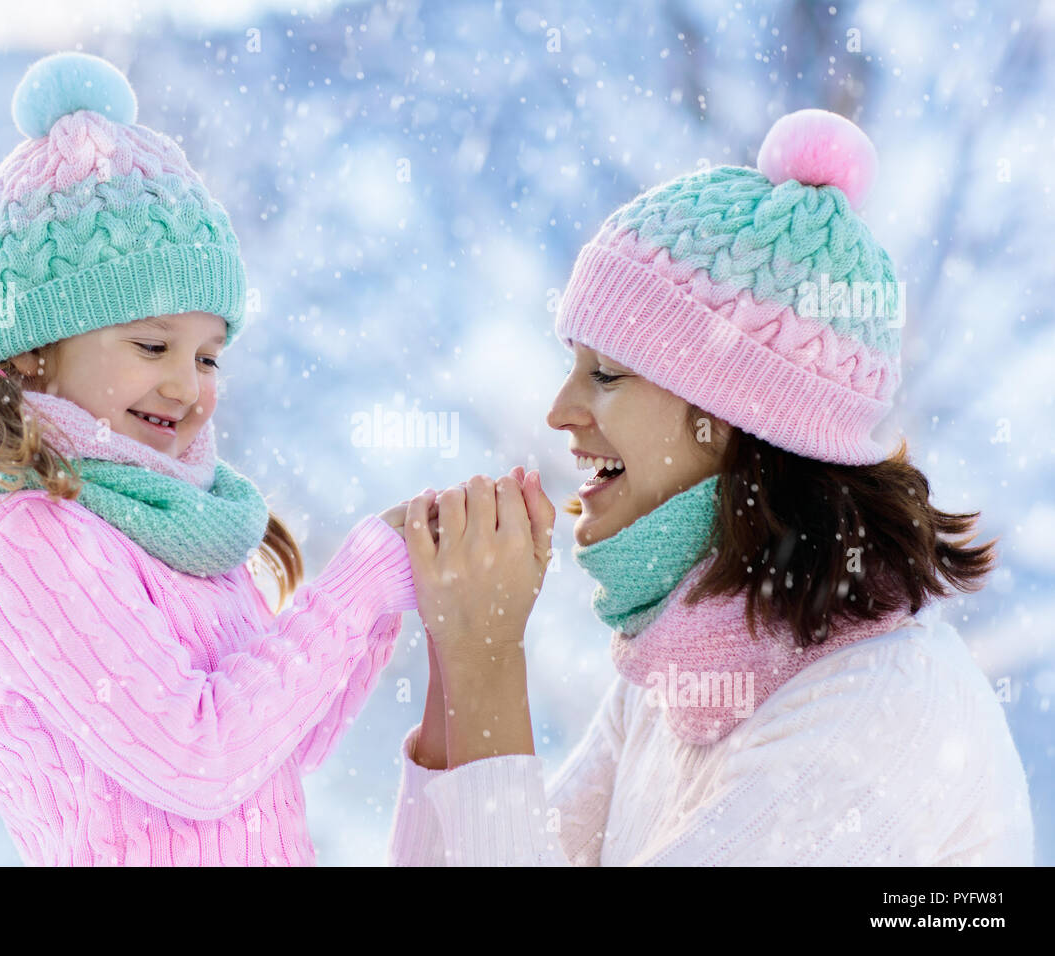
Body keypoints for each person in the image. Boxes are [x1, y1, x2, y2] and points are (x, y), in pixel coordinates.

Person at [386, 108, 1035, 866]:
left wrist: (487, 656)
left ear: (733, 419)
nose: (559, 411)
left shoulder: (880, 709)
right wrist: (456, 659)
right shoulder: (685, 671)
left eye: (605, 375)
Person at [0, 51, 419, 865]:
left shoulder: (174, 522)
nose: (187, 386)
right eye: (152, 345)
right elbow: (200, 758)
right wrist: (356, 587)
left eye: (209, 356)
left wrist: (396, 585)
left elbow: (278, 748)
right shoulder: (33, 539)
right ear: (38, 351)